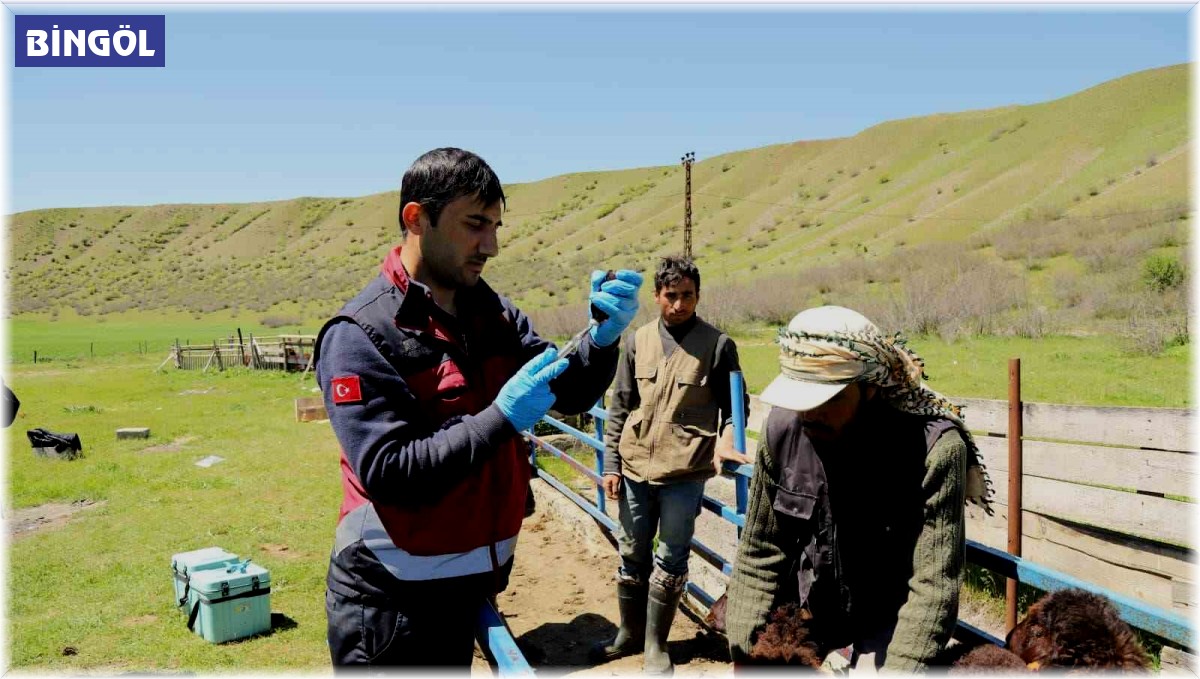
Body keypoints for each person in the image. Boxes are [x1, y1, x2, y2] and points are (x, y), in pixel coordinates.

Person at [314, 147, 642, 669]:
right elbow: (391, 471)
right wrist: (501, 418)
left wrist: (600, 342)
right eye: (474, 224)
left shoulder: (493, 313)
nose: (490, 245)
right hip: (391, 603)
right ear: (416, 218)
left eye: (495, 225)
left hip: (466, 590)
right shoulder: (360, 335)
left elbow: (569, 391)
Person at [724, 305, 992, 673]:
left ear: (869, 390)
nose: (811, 414)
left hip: (891, 619)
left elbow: (933, 586)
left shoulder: (934, 451)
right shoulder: (782, 432)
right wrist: (746, 651)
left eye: (828, 400)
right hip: (810, 607)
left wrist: (901, 669)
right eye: (802, 401)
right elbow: (760, 551)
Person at [592, 255, 751, 674]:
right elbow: (620, 405)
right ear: (657, 296)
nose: (679, 304)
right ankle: (627, 634)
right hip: (634, 468)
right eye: (671, 296)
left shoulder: (718, 345)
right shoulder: (636, 341)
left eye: (688, 296)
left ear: (698, 295)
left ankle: (655, 646)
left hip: (685, 470)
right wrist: (610, 465)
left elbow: (736, 407)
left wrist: (729, 441)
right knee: (631, 554)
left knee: (671, 558)